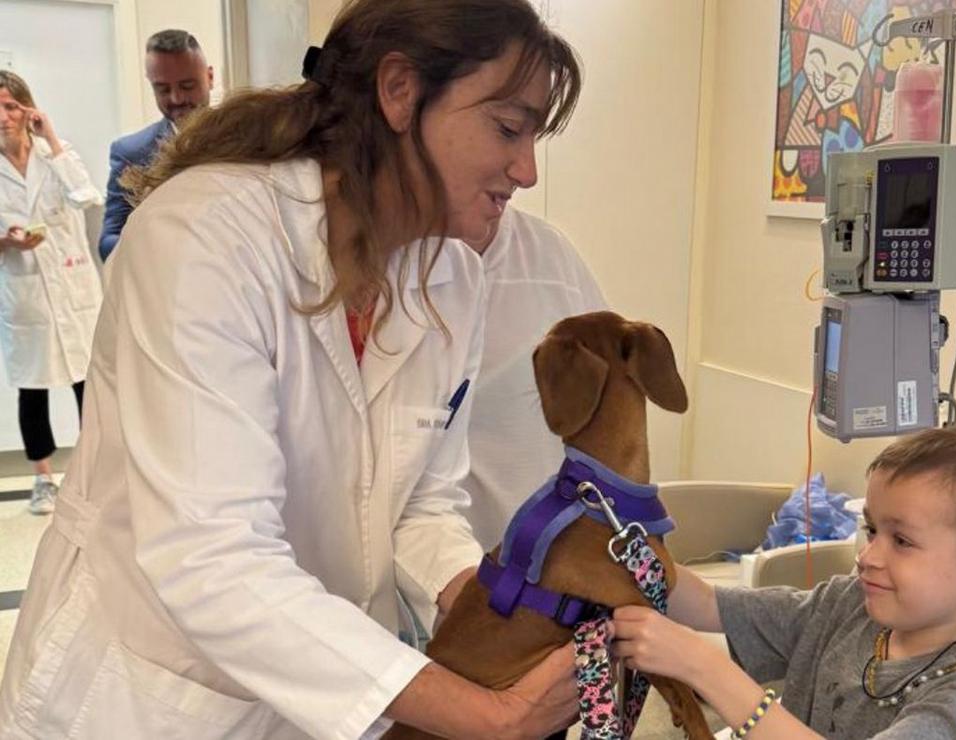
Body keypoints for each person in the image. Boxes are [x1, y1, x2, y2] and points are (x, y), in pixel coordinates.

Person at [0, 1, 584, 738]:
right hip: (144, 697)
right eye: (507, 127)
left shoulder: (451, 281)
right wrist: (485, 714)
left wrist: (475, 600)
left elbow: (422, 503)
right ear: (400, 91)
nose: (526, 171)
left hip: (313, 685)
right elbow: (211, 559)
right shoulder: (205, 238)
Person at [612, 422, 956, 739]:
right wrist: (633, 554)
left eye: (902, 540)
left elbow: (718, 676)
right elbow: (709, 605)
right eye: (872, 529)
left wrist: (704, 670)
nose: (868, 556)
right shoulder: (849, 606)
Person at [459, 207, 606, 552]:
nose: (528, 174)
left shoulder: (551, 256)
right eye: (506, 146)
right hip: (428, 576)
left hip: (550, 573)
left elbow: (608, 418)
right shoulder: (384, 269)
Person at [0, 71, 103, 515]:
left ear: (28, 108)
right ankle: (43, 479)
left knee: (89, 386)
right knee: (33, 388)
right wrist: (7, 239)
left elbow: (86, 196)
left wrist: (54, 140)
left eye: (10, 105)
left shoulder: (56, 155)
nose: (3, 117)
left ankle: (94, 476)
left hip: (72, 287)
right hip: (27, 295)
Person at [98, 29, 213, 261]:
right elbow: (108, 241)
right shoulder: (131, 152)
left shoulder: (244, 139)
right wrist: (156, 244)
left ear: (209, 77)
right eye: (163, 89)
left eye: (187, 86)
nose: (176, 98)